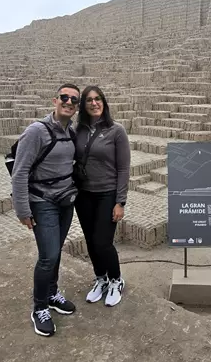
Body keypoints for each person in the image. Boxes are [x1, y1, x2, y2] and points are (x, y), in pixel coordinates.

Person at [11, 83, 81, 337]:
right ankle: (39, 307)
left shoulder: (70, 132)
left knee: (56, 251)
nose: (69, 102)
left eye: (74, 99)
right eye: (64, 97)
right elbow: (19, 173)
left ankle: (52, 293)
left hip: (65, 202)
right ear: (55, 100)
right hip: (42, 203)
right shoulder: (36, 132)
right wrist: (22, 209)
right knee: (48, 256)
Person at [73, 85, 131, 307]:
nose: (94, 103)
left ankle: (116, 279)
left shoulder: (116, 131)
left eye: (98, 99)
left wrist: (120, 201)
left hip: (107, 194)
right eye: (89, 100)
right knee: (90, 241)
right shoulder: (77, 131)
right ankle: (101, 278)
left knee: (103, 242)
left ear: (104, 103)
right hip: (83, 194)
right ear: (84, 106)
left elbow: (124, 169)